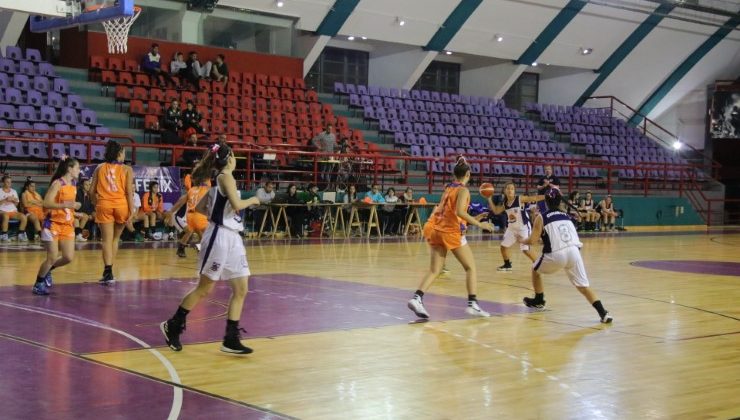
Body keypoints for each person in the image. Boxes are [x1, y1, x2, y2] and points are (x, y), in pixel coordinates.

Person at [160, 143, 261, 354]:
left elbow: (199, 207)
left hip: (233, 237)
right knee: (204, 288)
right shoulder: (225, 177)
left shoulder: (217, 182)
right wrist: (254, 199)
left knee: (241, 289)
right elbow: (237, 204)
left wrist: (220, 210)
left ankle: (230, 339)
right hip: (219, 236)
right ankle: (173, 325)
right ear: (231, 158)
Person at [407, 156, 495, 319]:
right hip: (450, 232)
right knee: (470, 267)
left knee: (435, 270)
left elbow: (447, 210)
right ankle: (472, 304)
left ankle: (417, 298)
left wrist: (472, 218)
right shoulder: (463, 190)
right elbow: (460, 212)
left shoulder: (448, 187)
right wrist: (479, 224)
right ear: (468, 173)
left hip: (436, 228)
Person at [521, 187, 613, 324]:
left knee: (535, 269)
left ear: (545, 202)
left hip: (556, 254)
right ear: (559, 202)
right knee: (583, 286)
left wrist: (522, 240)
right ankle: (603, 313)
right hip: (574, 252)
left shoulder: (541, 217)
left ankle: (539, 300)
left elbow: (533, 241)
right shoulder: (566, 216)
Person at [32, 157, 82, 295]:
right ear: (69, 169)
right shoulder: (57, 184)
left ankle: (48, 270)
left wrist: (75, 213)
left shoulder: (74, 184)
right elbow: (46, 203)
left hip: (67, 224)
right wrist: (66, 205)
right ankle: (38, 283)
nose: (79, 170)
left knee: (68, 257)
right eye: (77, 167)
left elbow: (67, 206)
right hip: (52, 224)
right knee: (52, 256)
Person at [90, 141, 135, 284]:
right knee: (115, 239)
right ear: (119, 154)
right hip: (121, 205)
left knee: (106, 241)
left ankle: (107, 272)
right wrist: (132, 210)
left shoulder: (99, 167)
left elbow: (91, 191)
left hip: (104, 204)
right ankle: (110, 271)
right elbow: (129, 192)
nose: (124, 155)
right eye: (124, 153)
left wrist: (95, 203)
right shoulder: (127, 169)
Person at [486, 181, 544, 272]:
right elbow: (496, 211)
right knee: (503, 247)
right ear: (504, 191)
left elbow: (535, 197)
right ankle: (507, 265)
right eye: (508, 188)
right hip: (512, 228)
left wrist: (547, 196)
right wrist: (489, 199)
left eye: (512, 189)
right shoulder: (505, 203)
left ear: (514, 191)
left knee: (525, 250)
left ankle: (539, 265)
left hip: (523, 228)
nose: (510, 190)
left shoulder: (519, 199)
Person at [166, 174, 210, 258]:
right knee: (203, 233)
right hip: (189, 216)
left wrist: (170, 211)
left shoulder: (191, 190)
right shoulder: (205, 190)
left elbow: (179, 202)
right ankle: (201, 249)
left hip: (190, 217)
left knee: (198, 233)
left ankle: (183, 248)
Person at [0, 175, 29, 242]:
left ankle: (20, 234)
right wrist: (5, 199)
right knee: (6, 216)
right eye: (7, 182)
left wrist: (13, 200)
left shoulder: (14, 191)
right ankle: (4, 235)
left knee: (24, 217)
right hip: (2, 211)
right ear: (3, 182)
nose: (9, 184)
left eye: (10, 182)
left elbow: (16, 204)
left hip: (13, 211)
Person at [74, 178, 94, 242]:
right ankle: (78, 234)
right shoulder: (78, 193)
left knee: (88, 216)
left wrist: (90, 213)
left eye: (89, 185)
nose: (88, 186)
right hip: (76, 212)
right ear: (82, 186)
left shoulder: (89, 194)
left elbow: (91, 206)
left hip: (83, 212)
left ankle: (78, 235)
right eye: (86, 185)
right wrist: (87, 214)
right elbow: (80, 206)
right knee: (85, 216)